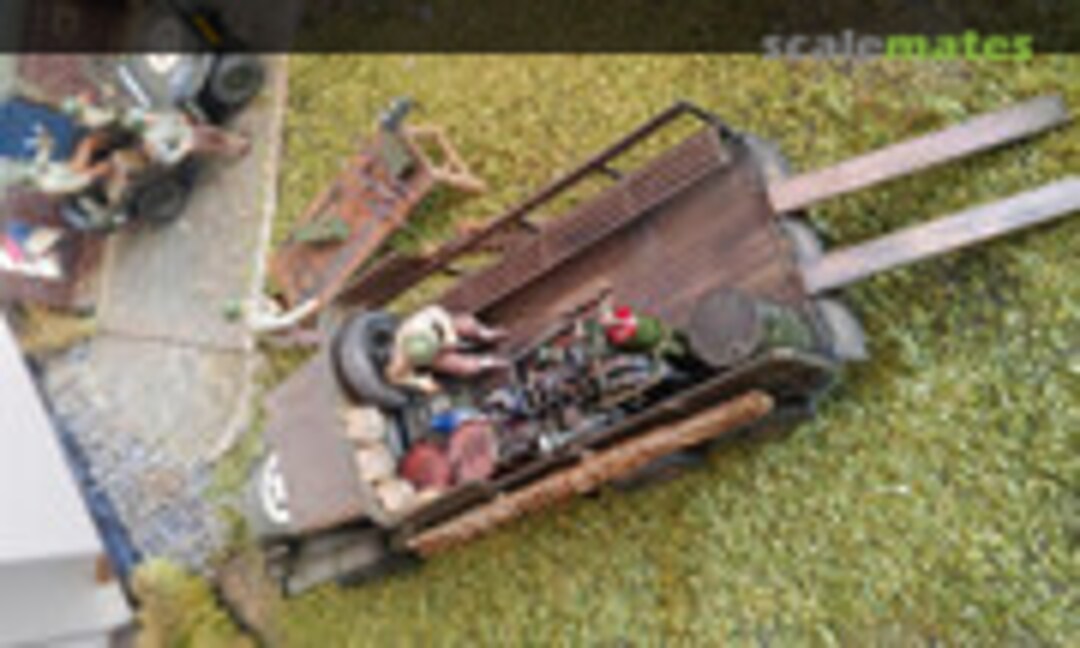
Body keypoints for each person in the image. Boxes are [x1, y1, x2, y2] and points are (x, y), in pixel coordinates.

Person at [385, 305, 509, 394]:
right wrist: (422, 383)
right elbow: (395, 377)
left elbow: (438, 313)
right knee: (463, 367)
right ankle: (486, 363)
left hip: (444, 329)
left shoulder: (424, 321)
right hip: (436, 357)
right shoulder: (402, 356)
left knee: (467, 324)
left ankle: (486, 334)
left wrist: (448, 339)